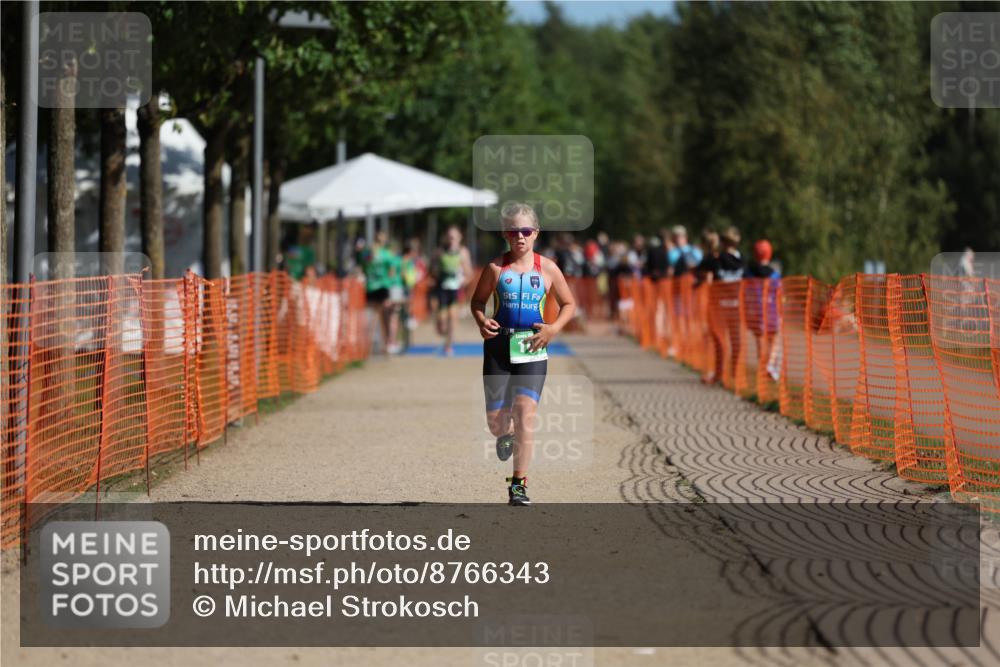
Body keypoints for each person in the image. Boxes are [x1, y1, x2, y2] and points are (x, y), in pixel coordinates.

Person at [470, 202, 576, 506]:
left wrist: (553, 329)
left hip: (532, 347)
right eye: (514, 231)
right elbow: (477, 302)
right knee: (496, 424)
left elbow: (569, 304)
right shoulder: (495, 268)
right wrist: (481, 320)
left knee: (525, 414)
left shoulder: (548, 269)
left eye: (526, 231)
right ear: (505, 233)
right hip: (498, 349)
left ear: (536, 234)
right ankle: (507, 432)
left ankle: (518, 484)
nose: (520, 236)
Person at [431, 226, 473, 356]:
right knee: (443, 321)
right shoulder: (439, 251)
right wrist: (437, 272)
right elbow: (432, 269)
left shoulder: (463, 252)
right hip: (441, 288)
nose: (451, 239)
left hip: (456, 289)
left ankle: (449, 345)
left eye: (454, 237)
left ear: (459, 238)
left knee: (452, 317)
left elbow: (469, 273)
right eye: (449, 236)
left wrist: (462, 281)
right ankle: (441, 328)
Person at [360, 230, 401, 355]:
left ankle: (374, 344)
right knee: (383, 316)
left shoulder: (368, 253)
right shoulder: (386, 254)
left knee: (374, 316)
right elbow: (393, 270)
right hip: (381, 288)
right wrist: (388, 279)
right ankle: (385, 343)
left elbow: (364, 266)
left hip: (372, 287)